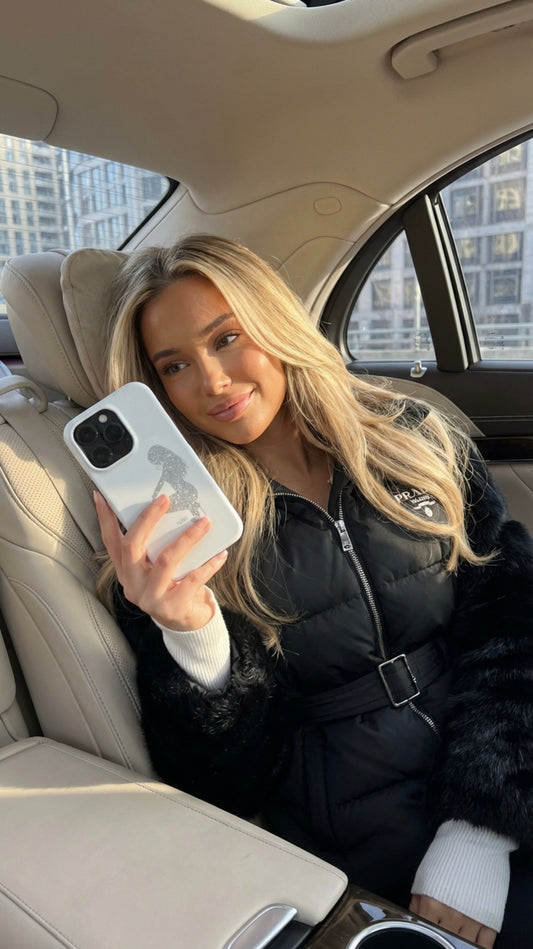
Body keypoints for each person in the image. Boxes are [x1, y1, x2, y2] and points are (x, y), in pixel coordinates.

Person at [94, 234, 533, 948]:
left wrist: (482, 826)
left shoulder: (415, 437)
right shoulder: (175, 527)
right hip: (356, 845)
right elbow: (222, 784)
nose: (211, 381)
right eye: (174, 365)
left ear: (276, 326)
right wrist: (191, 631)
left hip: (498, 770)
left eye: (227, 338)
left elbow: (512, 629)